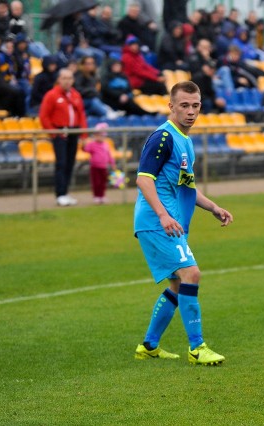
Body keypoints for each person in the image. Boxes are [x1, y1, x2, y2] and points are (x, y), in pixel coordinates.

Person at [133, 81, 234, 365]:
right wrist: (164, 215)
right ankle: (197, 348)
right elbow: (143, 179)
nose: (190, 112)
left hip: (168, 223)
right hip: (157, 222)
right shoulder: (163, 137)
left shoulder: (184, 139)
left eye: (195, 106)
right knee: (192, 274)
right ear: (171, 106)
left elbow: (186, 185)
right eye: (184, 106)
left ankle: (149, 346)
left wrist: (213, 207)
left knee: (178, 284)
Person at [39, 68, 88, 207]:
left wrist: (83, 134)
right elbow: (44, 116)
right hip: (60, 132)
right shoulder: (51, 95)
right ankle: (60, 194)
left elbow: (81, 115)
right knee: (61, 163)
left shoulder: (76, 95)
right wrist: (53, 132)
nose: (67, 81)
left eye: (70, 78)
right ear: (59, 79)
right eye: (64, 78)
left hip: (73, 132)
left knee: (70, 163)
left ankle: (65, 192)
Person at [82, 122, 116, 204]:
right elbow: (85, 149)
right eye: (98, 135)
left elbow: (108, 155)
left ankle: (102, 196)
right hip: (95, 167)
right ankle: (96, 196)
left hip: (104, 167)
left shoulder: (106, 144)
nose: (100, 137)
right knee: (96, 182)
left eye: (102, 135)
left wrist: (112, 163)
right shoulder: (92, 144)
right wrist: (83, 143)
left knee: (103, 182)